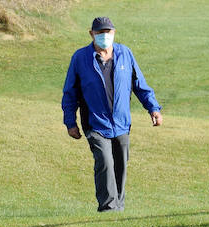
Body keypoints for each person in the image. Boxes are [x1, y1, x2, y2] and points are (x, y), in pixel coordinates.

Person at [61, 17, 163, 212]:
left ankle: (118, 207)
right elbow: (70, 93)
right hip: (95, 123)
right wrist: (70, 122)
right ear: (91, 34)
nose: (104, 36)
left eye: (108, 32)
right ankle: (108, 208)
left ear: (114, 33)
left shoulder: (125, 54)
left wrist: (153, 109)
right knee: (105, 162)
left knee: (120, 165)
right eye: (100, 33)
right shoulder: (80, 58)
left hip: (121, 123)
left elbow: (139, 85)